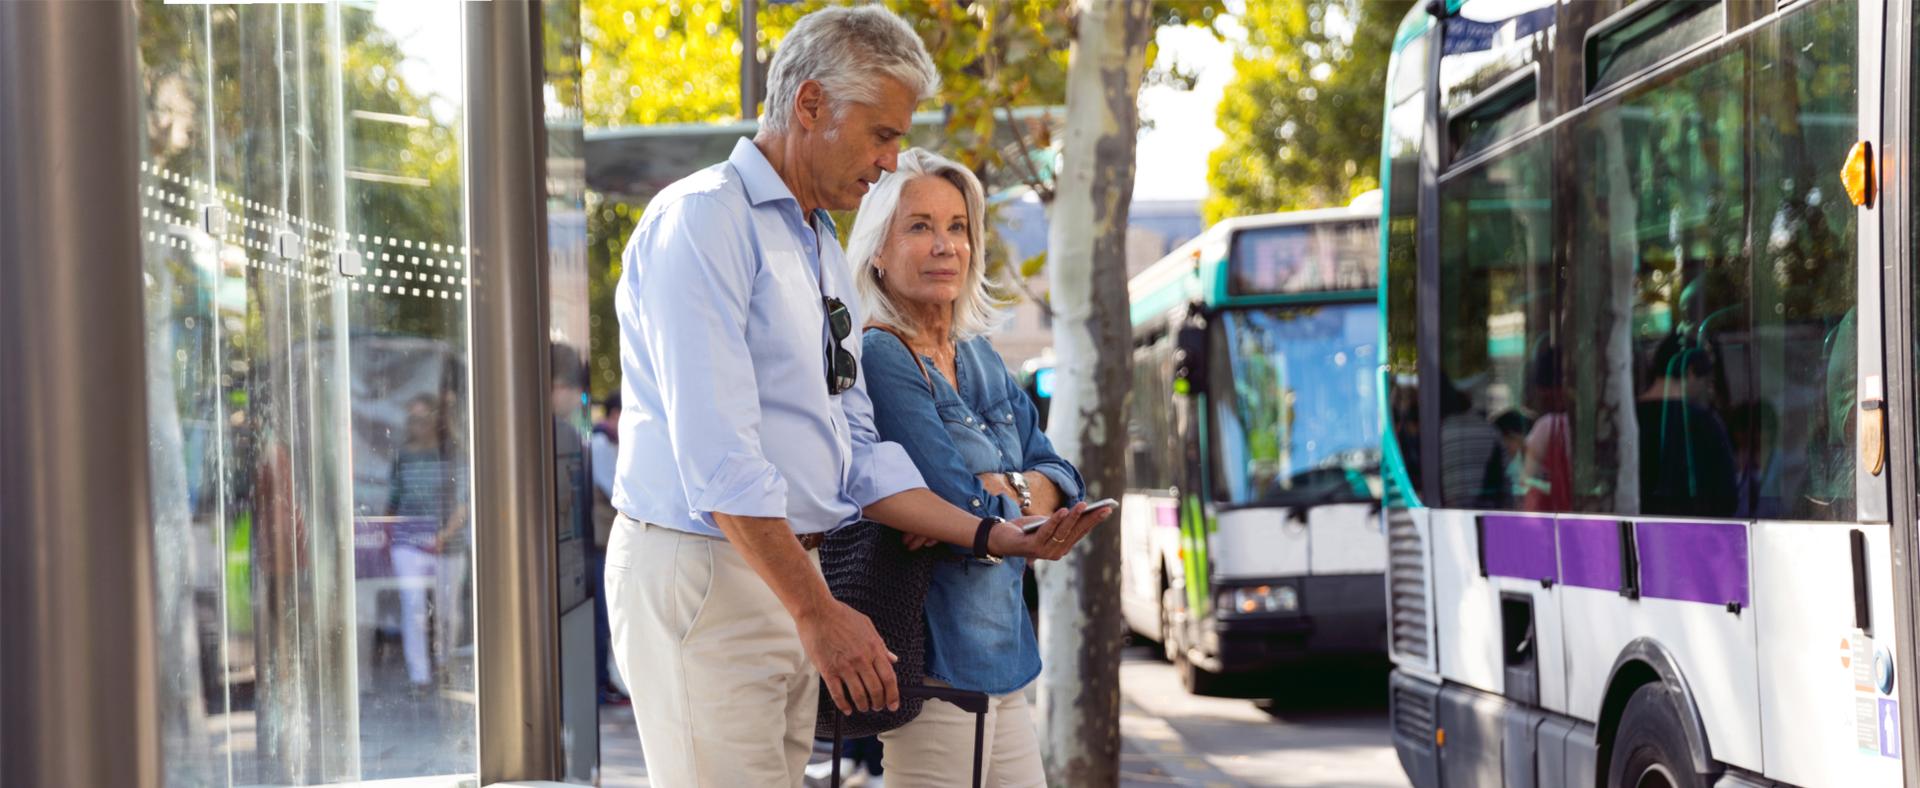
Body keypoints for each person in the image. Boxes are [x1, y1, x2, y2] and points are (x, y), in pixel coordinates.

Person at [605, 7, 1111, 786]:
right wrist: (817, 611)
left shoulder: (814, 244)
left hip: (784, 571)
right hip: (710, 568)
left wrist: (991, 536)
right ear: (810, 106)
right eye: (881, 134)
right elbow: (718, 458)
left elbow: (858, 447)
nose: (890, 159)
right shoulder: (705, 221)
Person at [850, 147, 1085, 787]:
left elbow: (1062, 473)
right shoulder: (882, 356)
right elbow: (952, 495)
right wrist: (1007, 502)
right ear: (877, 248)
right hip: (934, 668)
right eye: (919, 226)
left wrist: (997, 494)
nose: (945, 245)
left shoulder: (979, 355)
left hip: (1006, 659)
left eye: (958, 227)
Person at [588, 392, 625, 704]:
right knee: (602, 617)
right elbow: (617, 490)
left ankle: (604, 682)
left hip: (606, 540)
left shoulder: (608, 442)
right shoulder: (601, 444)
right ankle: (600, 684)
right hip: (600, 542)